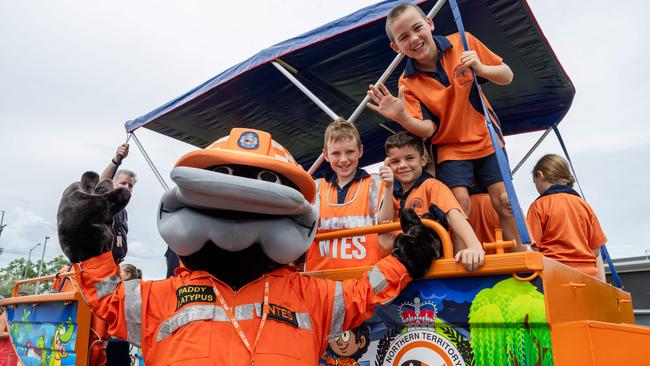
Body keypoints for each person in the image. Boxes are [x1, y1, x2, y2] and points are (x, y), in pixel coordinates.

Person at [366, 3, 519, 246]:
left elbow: (507, 75)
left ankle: (519, 259)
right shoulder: (408, 83)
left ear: (429, 23)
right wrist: (401, 117)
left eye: (417, 28)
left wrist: (480, 68)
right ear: (396, 47)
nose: (414, 39)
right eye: (404, 37)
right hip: (449, 147)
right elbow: (429, 129)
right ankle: (463, 259)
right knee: (458, 203)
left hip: (486, 138)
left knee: (504, 201)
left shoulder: (463, 42)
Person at [386, 131, 484, 272]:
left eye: (409, 158)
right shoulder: (391, 194)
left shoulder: (431, 186)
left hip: (432, 267)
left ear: (423, 160)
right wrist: (387, 187)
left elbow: (452, 215)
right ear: (389, 165)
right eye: (395, 161)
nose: (402, 165)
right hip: (399, 265)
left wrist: (474, 246)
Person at [304, 118, 395, 271]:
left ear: (360, 150)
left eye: (350, 152)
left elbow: (386, 223)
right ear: (326, 155)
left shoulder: (376, 183)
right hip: (321, 282)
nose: (343, 160)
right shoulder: (315, 187)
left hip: (365, 279)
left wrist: (389, 187)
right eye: (336, 153)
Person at [526, 154, 606, 280]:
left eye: (535, 183)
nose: (536, 187)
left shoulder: (538, 206)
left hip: (554, 275)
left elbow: (533, 249)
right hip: (587, 277)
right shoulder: (584, 205)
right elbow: (595, 250)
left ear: (539, 175)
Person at [100, 143, 136, 263]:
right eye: (123, 183)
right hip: (98, 263)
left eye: (130, 185)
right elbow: (103, 182)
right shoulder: (104, 201)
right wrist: (117, 160)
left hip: (114, 264)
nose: (127, 187)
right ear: (113, 183)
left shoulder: (123, 212)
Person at [0, 296, 19, 366]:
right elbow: (0, 333)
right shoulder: (4, 316)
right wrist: (12, 333)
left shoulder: (15, 316)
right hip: (4, 354)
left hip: (13, 353)